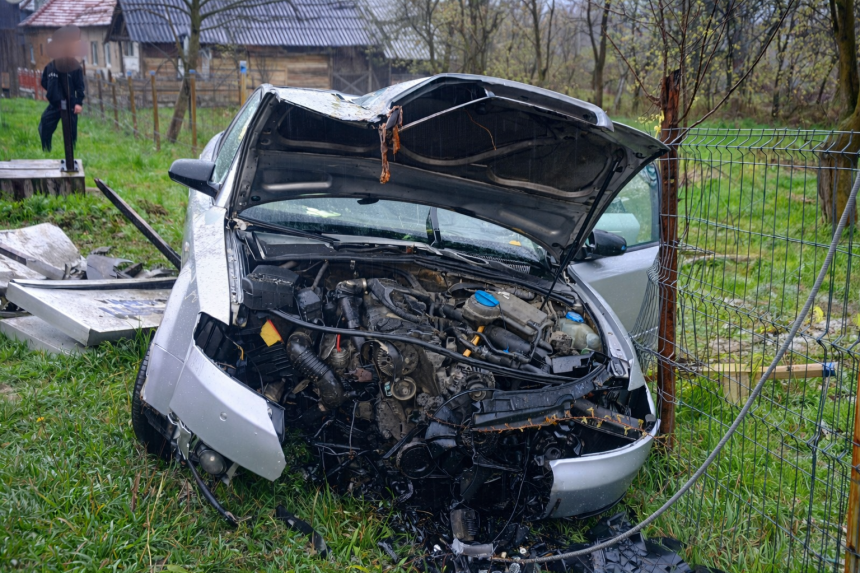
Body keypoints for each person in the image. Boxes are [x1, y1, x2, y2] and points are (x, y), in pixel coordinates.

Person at [38, 26, 86, 152]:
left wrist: (78, 103)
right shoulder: (50, 67)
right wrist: (53, 93)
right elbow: (44, 81)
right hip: (55, 105)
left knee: (71, 132)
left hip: (70, 105)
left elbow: (80, 87)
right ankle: (46, 150)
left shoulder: (76, 67)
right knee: (44, 124)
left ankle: (71, 154)